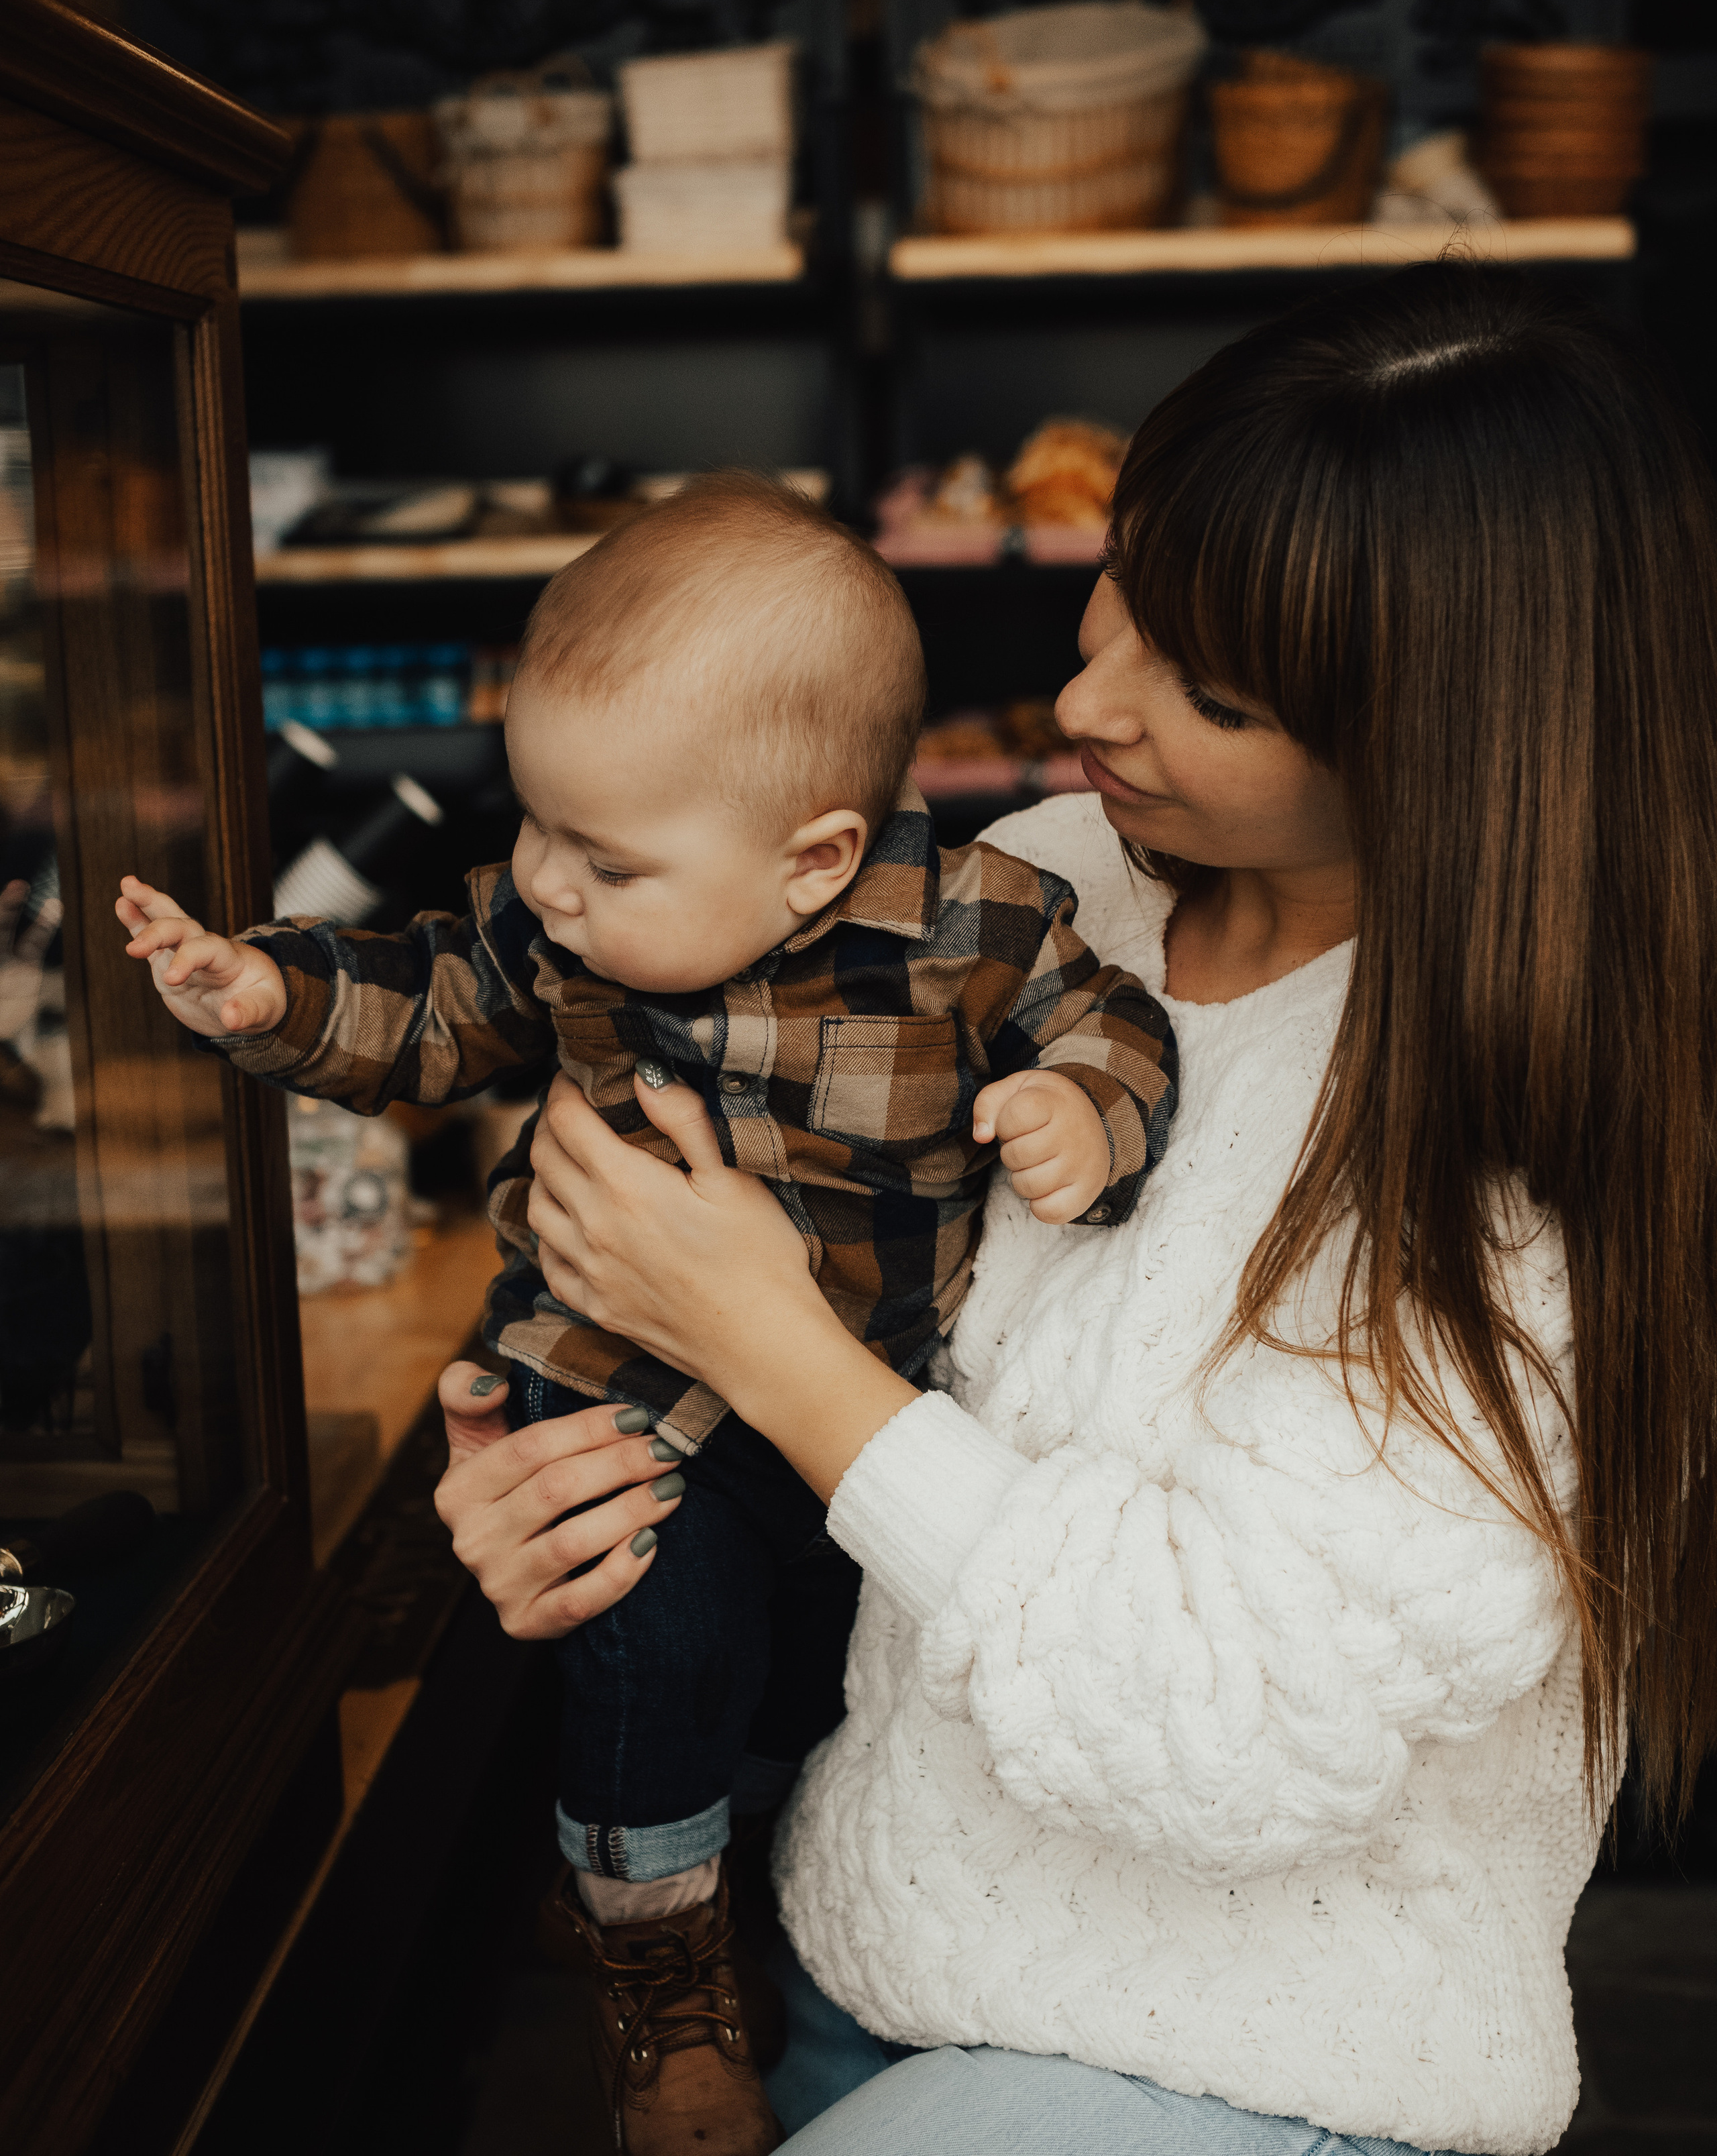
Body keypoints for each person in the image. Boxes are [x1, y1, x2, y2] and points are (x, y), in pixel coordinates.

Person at [432, 262, 1717, 2156]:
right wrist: (590, 1462)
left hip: (1244, 2058)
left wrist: (766, 1348)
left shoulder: (1514, 1149)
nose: (1086, 698)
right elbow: (793, 1310)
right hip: (876, 1947)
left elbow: (1235, 1715)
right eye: (1127, 583)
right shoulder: (1039, 885)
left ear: (1442, 743)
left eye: (1213, 691)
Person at [113, 474, 1178, 2156]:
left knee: (809, 1681)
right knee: (657, 1634)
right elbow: (427, 1004)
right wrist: (264, 993)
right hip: (612, 1382)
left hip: (855, 1405)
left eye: (602, 858)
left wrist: (1081, 1113)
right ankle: (657, 1971)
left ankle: (696, 1862)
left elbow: (1109, 1024)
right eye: (534, 824)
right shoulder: (562, 930)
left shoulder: (979, 923)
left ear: (816, 859)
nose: (543, 883)